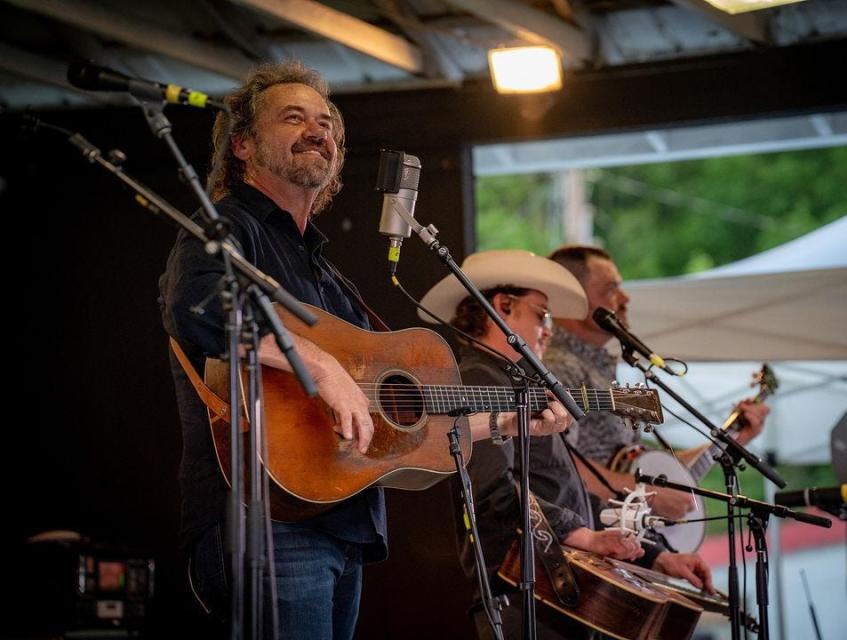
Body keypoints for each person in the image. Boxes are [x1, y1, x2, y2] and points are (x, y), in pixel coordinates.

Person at [158, 62, 571, 640]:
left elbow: (404, 430)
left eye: (326, 122)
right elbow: (198, 308)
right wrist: (318, 365)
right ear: (244, 145)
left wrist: (509, 420)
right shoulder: (226, 228)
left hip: (343, 522)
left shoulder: (325, 276)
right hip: (267, 521)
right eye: (294, 117)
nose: (318, 130)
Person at [419, 249, 715, 640]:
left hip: (552, 589)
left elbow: (566, 492)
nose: (550, 328)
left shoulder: (519, 387)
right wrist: (586, 537)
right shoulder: (481, 380)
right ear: (503, 307)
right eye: (542, 315)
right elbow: (494, 492)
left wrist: (656, 556)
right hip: (524, 593)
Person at [544, 246, 770, 516]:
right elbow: (558, 466)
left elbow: (660, 476)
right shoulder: (559, 365)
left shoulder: (595, 364)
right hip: (587, 542)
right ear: (571, 299)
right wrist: (646, 494)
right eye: (611, 289)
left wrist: (733, 436)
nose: (625, 298)